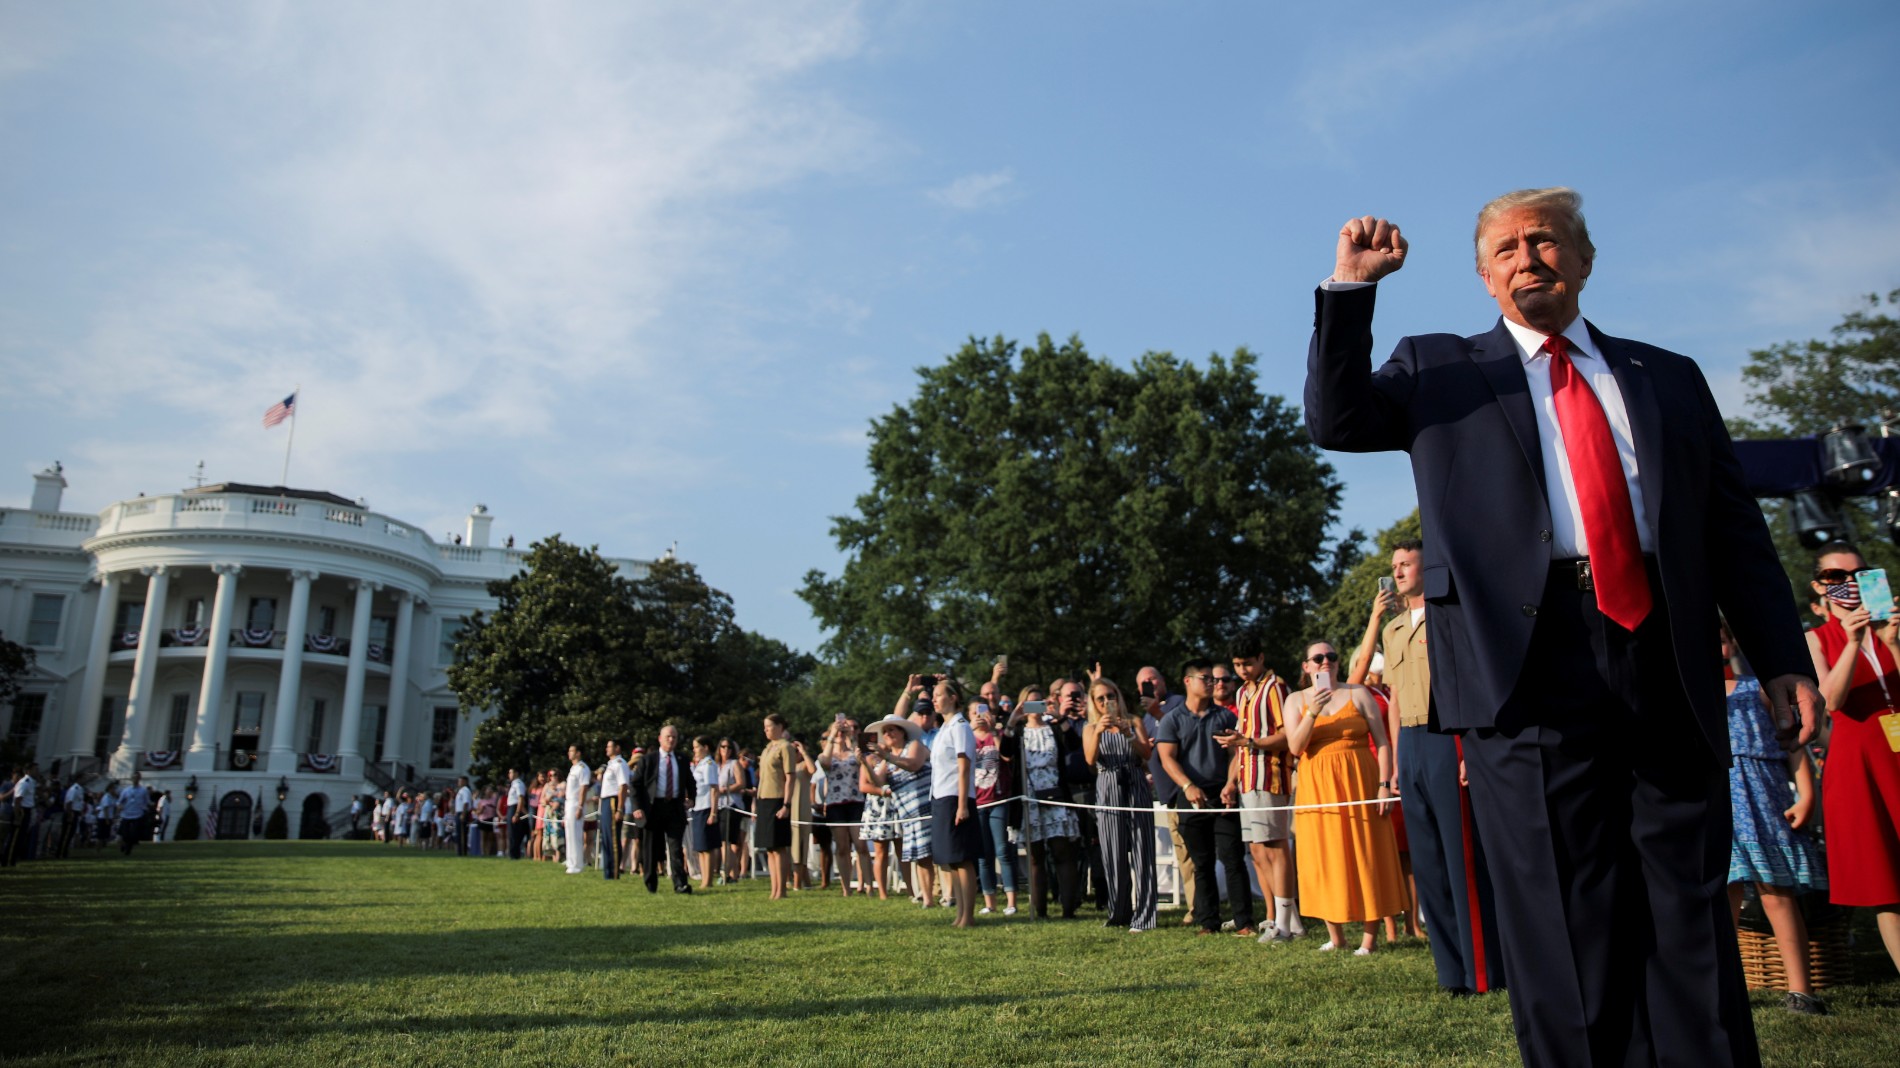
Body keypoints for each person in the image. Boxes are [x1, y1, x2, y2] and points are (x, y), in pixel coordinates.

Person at [1304, 188, 1822, 1067]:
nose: (1527, 259)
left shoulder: (1669, 376)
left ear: (1584, 260)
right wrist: (1351, 288)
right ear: (1484, 277)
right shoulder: (1438, 368)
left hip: (1666, 652)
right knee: (1560, 911)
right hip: (1522, 666)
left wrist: (1782, 658)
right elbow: (1337, 419)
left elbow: (1734, 530)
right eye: (1505, 249)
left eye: (1544, 241)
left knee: (1688, 905)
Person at [1377, 540, 1504, 994]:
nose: (1398, 572)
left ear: (1426, 568)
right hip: (1410, 744)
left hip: (1445, 736)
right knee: (1428, 864)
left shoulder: (1448, 617)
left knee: (1461, 859)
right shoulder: (1392, 630)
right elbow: (1393, 700)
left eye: (1406, 564)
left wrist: (1468, 749)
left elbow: (1468, 685)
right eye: (1394, 565)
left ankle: (1482, 971)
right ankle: (1451, 974)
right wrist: (1395, 762)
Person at [1724, 622, 1829, 1013]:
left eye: (1721, 639)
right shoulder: (1687, 693)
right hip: (1720, 803)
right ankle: (1723, 988)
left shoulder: (1759, 689)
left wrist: (1806, 794)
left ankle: (1801, 991)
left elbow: (1794, 746)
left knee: (1777, 893)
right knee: (1724, 896)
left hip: (1765, 800)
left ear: (1733, 643)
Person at [1805, 543, 1900, 974]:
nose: (1849, 583)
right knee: (1886, 881)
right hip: (1860, 762)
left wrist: (1891, 642)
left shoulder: (1890, 626)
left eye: (1858, 574)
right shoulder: (1816, 638)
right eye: (1836, 577)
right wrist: (1853, 640)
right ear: (1819, 586)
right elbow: (1831, 701)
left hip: (1895, 752)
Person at [1285, 641, 1405, 955]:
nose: (1326, 661)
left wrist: (1384, 784)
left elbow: (1382, 742)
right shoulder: (1296, 699)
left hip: (1360, 781)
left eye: (1331, 656)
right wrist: (1313, 711)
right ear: (1306, 666)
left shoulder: (1358, 693)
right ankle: (1335, 935)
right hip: (1317, 788)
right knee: (1325, 855)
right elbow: (1296, 747)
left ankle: (1369, 939)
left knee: (1367, 852)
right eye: (1318, 658)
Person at [1156, 659, 1254, 936]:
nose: (1213, 683)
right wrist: (1187, 785)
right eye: (1206, 678)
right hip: (1190, 797)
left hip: (1223, 795)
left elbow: (1236, 753)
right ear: (1188, 681)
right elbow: (1167, 758)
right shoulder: (1172, 719)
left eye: (1214, 679)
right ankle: (1208, 922)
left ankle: (1244, 922)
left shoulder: (1224, 717)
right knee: (1202, 862)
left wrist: (1231, 784)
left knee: (1233, 858)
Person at [1220, 633, 1299, 943]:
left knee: (1276, 846)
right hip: (1247, 778)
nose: (1243, 670)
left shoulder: (1276, 687)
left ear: (1261, 658)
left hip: (1271, 775)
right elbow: (1241, 742)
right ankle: (1278, 916)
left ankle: (1286, 922)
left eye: (1248, 664)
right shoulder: (1242, 692)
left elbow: (1287, 735)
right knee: (1256, 849)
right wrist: (1231, 781)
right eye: (1238, 665)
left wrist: (1250, 742)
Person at [1085, 678, 1157, 932]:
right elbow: (1090, 760)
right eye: (1101, 698)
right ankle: (1119, 912)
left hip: (1135, 783)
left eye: (1110, 696)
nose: (1107, 702)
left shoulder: (1134, 721)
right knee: (1113, 852)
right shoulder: (1090, 728)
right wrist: (1098, 731)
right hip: (1108, 786)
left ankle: (1145, 916)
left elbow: (1146, 754)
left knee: (1143, 850)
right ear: (1094, 703)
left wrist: (1128, 733)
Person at [1009, 685, 1080, 919]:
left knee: (1062, 851)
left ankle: (1068, 909)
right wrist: (1012, 720)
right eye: (1029, 703)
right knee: (1035, 855)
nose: (1035, 708)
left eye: (1039, 702)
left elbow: (1074, 744)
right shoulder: (1019, 731)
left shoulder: (1054, 728)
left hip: (1055, 793)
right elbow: (1005, 752)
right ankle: (1040, 911)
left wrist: (1061, 717)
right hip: (1029, 797)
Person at [882, 682, 940, 908]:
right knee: (921, 858)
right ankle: (928, 898)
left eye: (892, 730)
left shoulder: (914, 745)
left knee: (940, 855)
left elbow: (914, 764)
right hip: (909, 815)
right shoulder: (887, 757)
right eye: (885, 731)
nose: (888, 734)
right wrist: (864, 762)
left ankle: (949, 895)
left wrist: (887, 757)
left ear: (902, 732)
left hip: (928, 808)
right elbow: (875, 781)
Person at [930, 686, 981, 928]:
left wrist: (962, 805)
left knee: (962, 857)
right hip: (941, 796)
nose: (934, 700)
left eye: (938, 695)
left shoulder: (960, 726)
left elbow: (963, 766)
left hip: (956, 797)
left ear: (952, 698)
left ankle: (968, 915)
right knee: (951, 860)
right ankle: (960, 913)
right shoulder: (944, 728)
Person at [633, 725, 695, 894]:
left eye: (674, 737)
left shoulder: (682, 759)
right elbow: (635, 784)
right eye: (668, 736)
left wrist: (692, 799)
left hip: (674, 807)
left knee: (675, 848)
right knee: (651, 847)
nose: (671, 740)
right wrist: (637, 807)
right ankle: (651, 882)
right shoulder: (648, 760)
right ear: (660, 738)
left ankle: (680, 884)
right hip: (653, 808)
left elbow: (690, 781)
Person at [970, 702, 1018, 916]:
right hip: (977, 802)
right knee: (983, 855)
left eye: (982, 712)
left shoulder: (997, 734)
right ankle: (990, 902)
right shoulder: (966, 738)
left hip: (998, 800)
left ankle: (1011, 902)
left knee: (1003, 850)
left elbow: (1007, 757)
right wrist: (969, 731)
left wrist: (993, 731)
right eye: (974, 713)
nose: (979, 716)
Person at [819, 718, 871, 898]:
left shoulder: (852, 752)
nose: (841, 734)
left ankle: (868, 886)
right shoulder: (828, 754)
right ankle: (846, 888)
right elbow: (824, 763)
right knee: (842, 847)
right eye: (838, 731)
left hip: (855, 802)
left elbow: (862, 759)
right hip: (835, 804)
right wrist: (832, 735)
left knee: (861, 845)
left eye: (843, 731)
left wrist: (852, 736)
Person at [755, 714, 798, 900]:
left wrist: (786, 804)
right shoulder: (767, 749)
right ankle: (774, 888)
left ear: (780, 726)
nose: (766, 730)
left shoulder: (785, 747)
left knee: (779, 846)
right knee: (770, 847)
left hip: (778, 799)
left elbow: (790, 777)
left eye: (769, 726)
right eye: (764, 727)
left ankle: (782, 889)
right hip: (764, 799)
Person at [688, 735, 723, 890]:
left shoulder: (709, 764)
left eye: (697, 747)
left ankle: (708, 880)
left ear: (706, 747)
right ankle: (704, 877)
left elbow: (714, 789)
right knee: (700, 847)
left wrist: (713, 812)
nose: (694, 750)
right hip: (697, 807)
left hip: (706, 807)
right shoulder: (700, 764)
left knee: (707, 846)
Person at [714, 739, 745, 884]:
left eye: (729, 747)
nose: (726, 749)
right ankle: (734, 874)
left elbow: (741, 783)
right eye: (723, 747)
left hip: (731, 805)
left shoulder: (734, 764)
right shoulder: (716, 765)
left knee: (725, 841)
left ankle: (725, 872)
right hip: (719, 806)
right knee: (725, 842)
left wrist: (725, 790)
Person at [563, 745, 592, 875]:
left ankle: (577, 864)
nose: (569, 753)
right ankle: (571, 861)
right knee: (569, 834)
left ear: (578, 753)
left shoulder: (582, 768)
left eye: (572, 751)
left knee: (576, 834)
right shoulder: (573, 768)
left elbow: (583, 788)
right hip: (569, 802)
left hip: (575, 803)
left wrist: (580, 806)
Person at [116, 773, 153, 856]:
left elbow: (147, 801)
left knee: (134, 834)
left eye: (137, 778)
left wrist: (151, 805)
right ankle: (124, 845)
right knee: (125, 833)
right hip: (126, 814)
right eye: (134, 778)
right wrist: (119, 806)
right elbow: (119, 801)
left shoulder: (143, 790)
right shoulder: (126, 790)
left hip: (137, 814)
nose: (135, 780)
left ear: (139, 779)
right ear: (131, 779)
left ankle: (128, 849)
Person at [452, 776, 473, 857]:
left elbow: (465, 803)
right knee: (459, 833)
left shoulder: (465, 790)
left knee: (462, 833)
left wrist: (463, 814)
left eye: (460, 781)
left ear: (465, 782)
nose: (459, 782)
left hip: (462, 813)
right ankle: (460, 851)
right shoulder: (460, 790)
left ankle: (463, 852)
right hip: (459, 812)